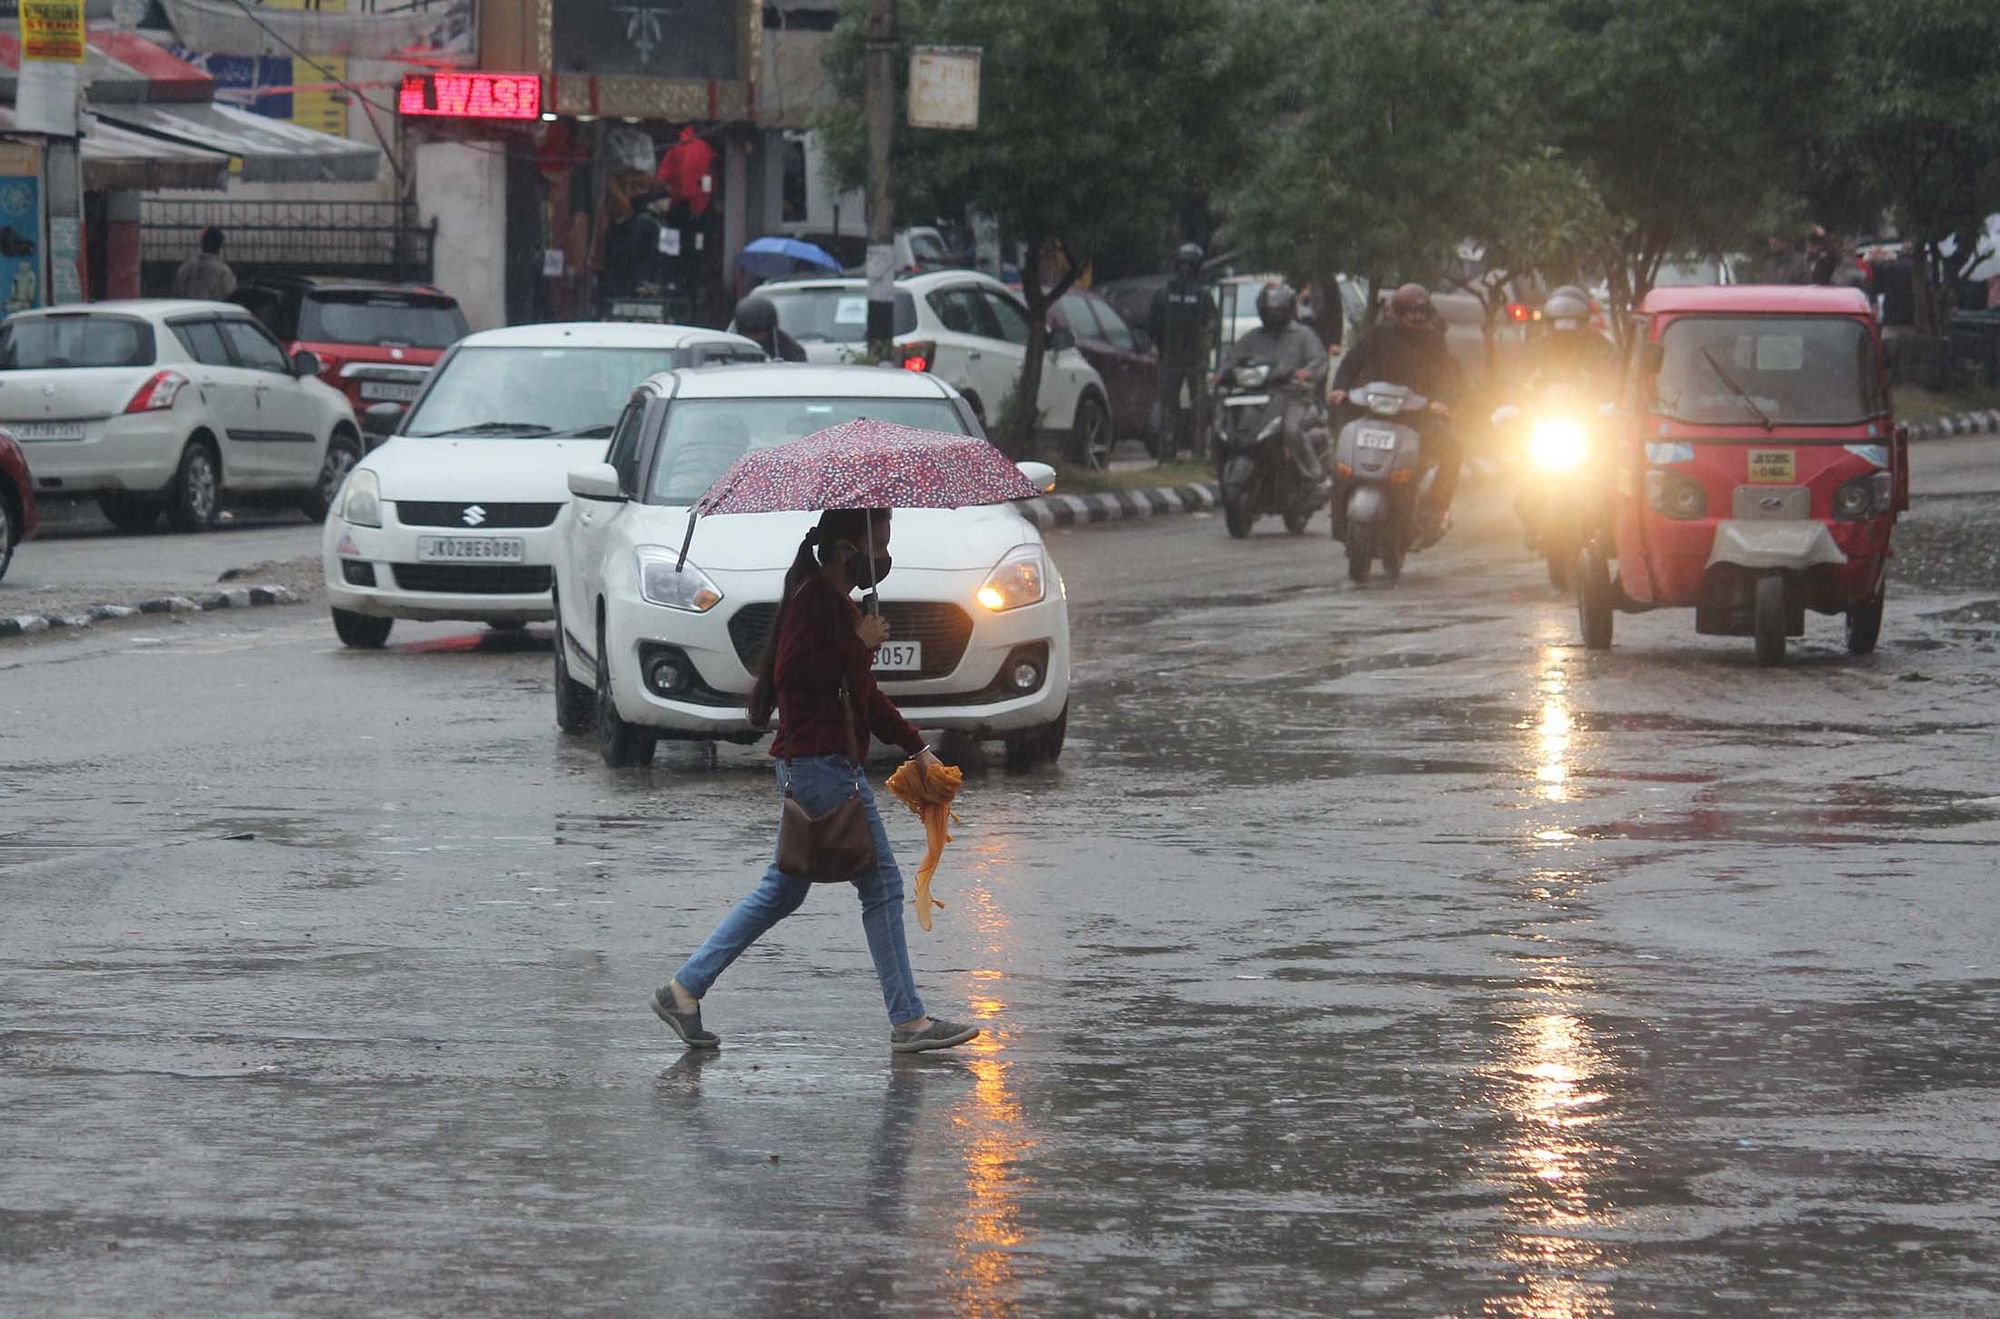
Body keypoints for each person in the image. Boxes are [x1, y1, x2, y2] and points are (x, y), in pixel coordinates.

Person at [652, 506, 981, 1056]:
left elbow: (862, 696)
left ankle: (684, 989)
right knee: (881, 887)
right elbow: (796, 677)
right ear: (848, 552)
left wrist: (915, 745)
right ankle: (910, 1021)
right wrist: (861, 644)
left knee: (784, 890)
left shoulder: (835, 606)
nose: (884, 557)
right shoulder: (813, 604)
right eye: (878, 544)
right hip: (818, 765)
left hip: (824, 763)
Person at [1330, 283, 1463, 530]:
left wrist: (1442, 403)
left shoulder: (1434, 342)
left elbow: (1448, 376)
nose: (1416, 319)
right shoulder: (1378, 335)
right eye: (1410, 313)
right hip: (1373, 413)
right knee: (1340, 446)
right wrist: (1340, 389)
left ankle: (1436, 507)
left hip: (1418, 417)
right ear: (1397, 313)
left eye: (1421, 314)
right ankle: (1338, 504)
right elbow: (1351, 363)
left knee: (1453, 448)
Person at [1216, 281, 1329, 485]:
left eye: (1278, 309)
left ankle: (1314, 473)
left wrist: (1305, 373)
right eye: (1269, 309)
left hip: (1293, 397)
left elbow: (1319, 360)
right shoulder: (1253, 337)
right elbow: (1232, 358)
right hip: (1256, 397)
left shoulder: (1303, 335)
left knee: (1291, 430)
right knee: (1226, 427)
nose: (1273, 313)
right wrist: (1221, 373)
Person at [1147, 243, 1214, 458]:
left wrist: (1159, 346)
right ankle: (1195, 450)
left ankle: (1169, 449)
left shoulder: (1164, 294)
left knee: (1173, 405)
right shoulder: (1203, 296)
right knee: (1194, 405)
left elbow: (1152, 325)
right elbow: (1211, 327)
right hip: (1192, 358)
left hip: (1172, 356)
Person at [1522, 286, 1618, 397]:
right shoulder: (1536, 349)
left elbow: (1612, 383)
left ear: (1584, 321)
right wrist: (1530, 386)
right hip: (1544, 409)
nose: (1564, 334)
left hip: (1588, 408)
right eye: (1558, 323)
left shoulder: (1600, 347)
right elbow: (1521, 385)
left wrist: (1596, 384)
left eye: (1571, 325)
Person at [734, 294, 806, 362]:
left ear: (771, 330)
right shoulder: (730, 347)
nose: (754, 338)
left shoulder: (789, 349)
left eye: (759, 332)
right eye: (748, 333)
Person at [172, 227, 236, 301]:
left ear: (202, 243)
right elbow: (230, 295)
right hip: (211, 310)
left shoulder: (185, 268)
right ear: (220, 245)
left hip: (187, 311)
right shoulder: (223, 271)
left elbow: (176, 294)